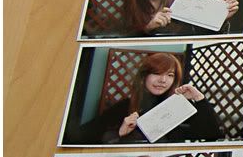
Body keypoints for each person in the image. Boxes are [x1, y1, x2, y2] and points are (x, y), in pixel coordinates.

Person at [76, 52, 222, 145]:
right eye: (157, 73)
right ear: (144, 76)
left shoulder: (180, 107)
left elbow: (213, 134)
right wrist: (119, 134)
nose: (163, 80)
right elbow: (81, 137)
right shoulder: (125, 106)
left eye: (170, 75)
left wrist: (199, 98)